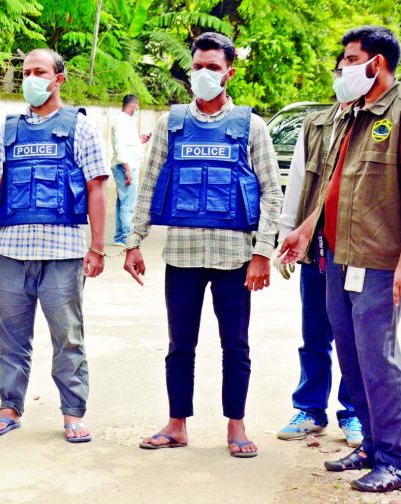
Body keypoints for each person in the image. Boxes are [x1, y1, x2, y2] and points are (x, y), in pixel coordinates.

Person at [124, 32, 282, 458]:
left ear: (229, 73)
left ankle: (236, 425)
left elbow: (272, 192)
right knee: (180, 344)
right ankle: (177, 424)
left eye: (213, 67)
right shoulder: (171, 124)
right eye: (198, 67)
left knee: (236, 344)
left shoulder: (251, 126)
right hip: (183, 256)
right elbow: (149, 182)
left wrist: (262, 253)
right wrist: (133, 241)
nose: (204, 74)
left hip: (235, 259)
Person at [280, 25, 401, 493]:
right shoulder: (352, 116)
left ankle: (397, 459)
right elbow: (335, 186)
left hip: (378, 258)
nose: (344, 69)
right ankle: (372, 447)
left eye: (352, 60)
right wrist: (303, 229)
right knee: (352, 355)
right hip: (337, 255)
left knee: (379, 358)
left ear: (377, 63)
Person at [0, 48, 108, 443]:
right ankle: (9, 407)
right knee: (10, 338)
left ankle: (73, 412)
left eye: (40, 71)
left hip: (63, 252)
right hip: (13, 251)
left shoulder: (81, 128)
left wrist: (97, 247)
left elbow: (96, 187)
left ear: (58, 79)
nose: (31, 78)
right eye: (26, 71)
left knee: (67, 337)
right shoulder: (9, 129)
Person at [275, 53, 362, 447]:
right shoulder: (316, 124)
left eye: (351, 65)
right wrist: (286, 234)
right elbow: (295, 183)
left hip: (361, 250)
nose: (344, 75)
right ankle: (310, 409)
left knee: (356, 337)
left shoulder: (379, 123)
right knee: (315, 332)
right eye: (340, 67)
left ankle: (355, 412)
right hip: (318, 249)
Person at [110, 94, 150, 246]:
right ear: (134, 105)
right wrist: (127, 170)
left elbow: (127, 142)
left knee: (123, 202)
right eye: (137, 106)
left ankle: (120, 236)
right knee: (128, 204)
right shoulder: (121, 120)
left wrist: (139, 139)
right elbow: (119, 146)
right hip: (125, 166)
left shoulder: (126, 121)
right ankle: (126, 236)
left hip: (127, 165)